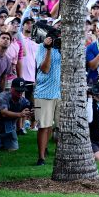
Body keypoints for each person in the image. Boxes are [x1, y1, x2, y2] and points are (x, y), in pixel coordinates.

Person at [34, 36, 61, 166]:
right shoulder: (41, 47)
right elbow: (44, 69)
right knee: (44, 126)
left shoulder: (66, 47)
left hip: (61, 93)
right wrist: (49, 49)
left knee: (59, 127)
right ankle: (41, 158)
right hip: (43, 93)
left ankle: (59, 155)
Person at [0, 78, 31, 156]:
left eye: (22, 91)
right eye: (18, 90)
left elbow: (29, 107)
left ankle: (2, 143)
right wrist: (20, 114)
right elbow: (4, 113)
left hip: (10, 131)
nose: (20, 93)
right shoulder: (3, 96)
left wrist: (31, 112)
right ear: (12, 88)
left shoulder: (23, 100)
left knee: (14, 150)